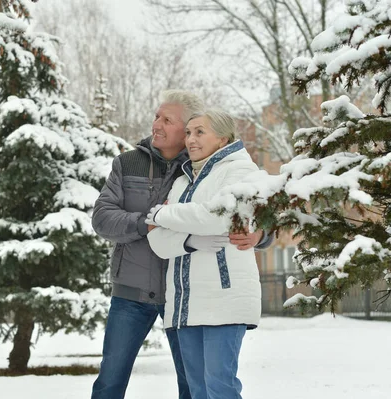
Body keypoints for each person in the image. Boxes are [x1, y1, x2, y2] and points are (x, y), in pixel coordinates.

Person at [91, 90, 272, 399]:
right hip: (133, 291)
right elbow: (103, 218)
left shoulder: (203, 166)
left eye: (168, 120)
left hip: (186, 296)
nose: (156, 125)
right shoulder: (129, 163)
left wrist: (261, 234)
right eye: (156, 116)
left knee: (194, 385)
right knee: (110, 381)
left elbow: (244, 210)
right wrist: (147, 222)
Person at [146, 108, 263, 399]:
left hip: (224, 295)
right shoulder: (183, 181)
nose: (190, 140)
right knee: (197, 389)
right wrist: (189, 241)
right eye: (188, 132)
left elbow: (219, 217)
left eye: (200, 132)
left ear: (222, 139)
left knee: (219, 385)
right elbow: (158, 241)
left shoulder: (240, 170)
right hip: (185, 300)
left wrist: (164, 213)